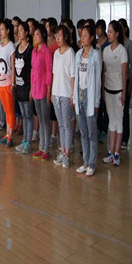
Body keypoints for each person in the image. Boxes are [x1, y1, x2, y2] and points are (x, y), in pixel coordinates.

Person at [73, 25, 102, 177]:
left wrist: (96, 102)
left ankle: (92, 163)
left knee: (91, 132)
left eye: (85, 35)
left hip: (90, 97)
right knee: (83, 132)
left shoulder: (95, 56)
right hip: (80, 95)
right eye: (81, 35)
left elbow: (97, 81)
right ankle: (85, 162)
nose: (82, 38)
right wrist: (74, 97)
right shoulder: (78, 55)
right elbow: (75, 77)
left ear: (91, 38)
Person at [102, 21, 128, 167]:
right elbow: (104, 71)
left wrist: (124, 92)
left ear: (117, 34)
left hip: (118, 90)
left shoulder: (122, 51)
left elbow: (124, 73)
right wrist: (103, 89)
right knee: (111, 121)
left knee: (119, 121)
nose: (109, 34)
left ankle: (117, 153)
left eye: (111, 31)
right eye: (108, 31)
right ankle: (110, 151)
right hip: (108, 89)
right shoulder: (105, 51)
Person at [52, 25, 76, 168]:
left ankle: (67, 154)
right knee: (61, 125)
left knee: (67, 125)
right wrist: (52, 93)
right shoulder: (56, 53)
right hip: (56, 94)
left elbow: (73, 76)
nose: (58, 38)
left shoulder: (70, 52)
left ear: (65, 36)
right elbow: (55, 74)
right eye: (56, 36)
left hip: (66, 94)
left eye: (60, 36)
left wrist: (72, 94)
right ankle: (62, 151)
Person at [31, 24, 53, 161]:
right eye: (34, 35)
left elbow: (49, 73)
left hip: (44, 90)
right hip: (35, 89)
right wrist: (31, 89)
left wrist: (49, 92)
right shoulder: (34, 51)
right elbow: (33, 71)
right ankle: (41, 147)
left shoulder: (46, 52)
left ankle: (46, 148)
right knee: (39, 118)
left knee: (45, 120)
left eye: (38, 35)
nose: (35, 37)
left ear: (43, 36)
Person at [14, 21, 33, 154]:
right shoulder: (17, 48)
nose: (19, 32)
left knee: (28, 115)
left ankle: (28, 142)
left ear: (26, 33)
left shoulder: (30, 49)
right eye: (18, 30)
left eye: (21, 30)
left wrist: (31, 88)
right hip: (19, 86)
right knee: (23, 114)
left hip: (27, 86)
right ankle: (24, 140)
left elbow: (31, 70)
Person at [0, 20, 16, 147]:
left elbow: (13, 67)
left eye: (3, 29)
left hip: (8, 82)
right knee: (5, 109)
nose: (1, 31)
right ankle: (7, 133)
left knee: (10, 110)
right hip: (1, 83)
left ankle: (10, 135)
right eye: (0, 29)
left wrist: (13, 84)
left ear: (8, 31)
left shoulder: (11, 46)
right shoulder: (1, 45)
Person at [119, 18, 132, 150]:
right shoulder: (116, 44)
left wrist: (130, 83)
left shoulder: (129, 44)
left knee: (125, 111)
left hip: (126, 79)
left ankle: (125, 138)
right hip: (116, 81)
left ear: (124, 28)